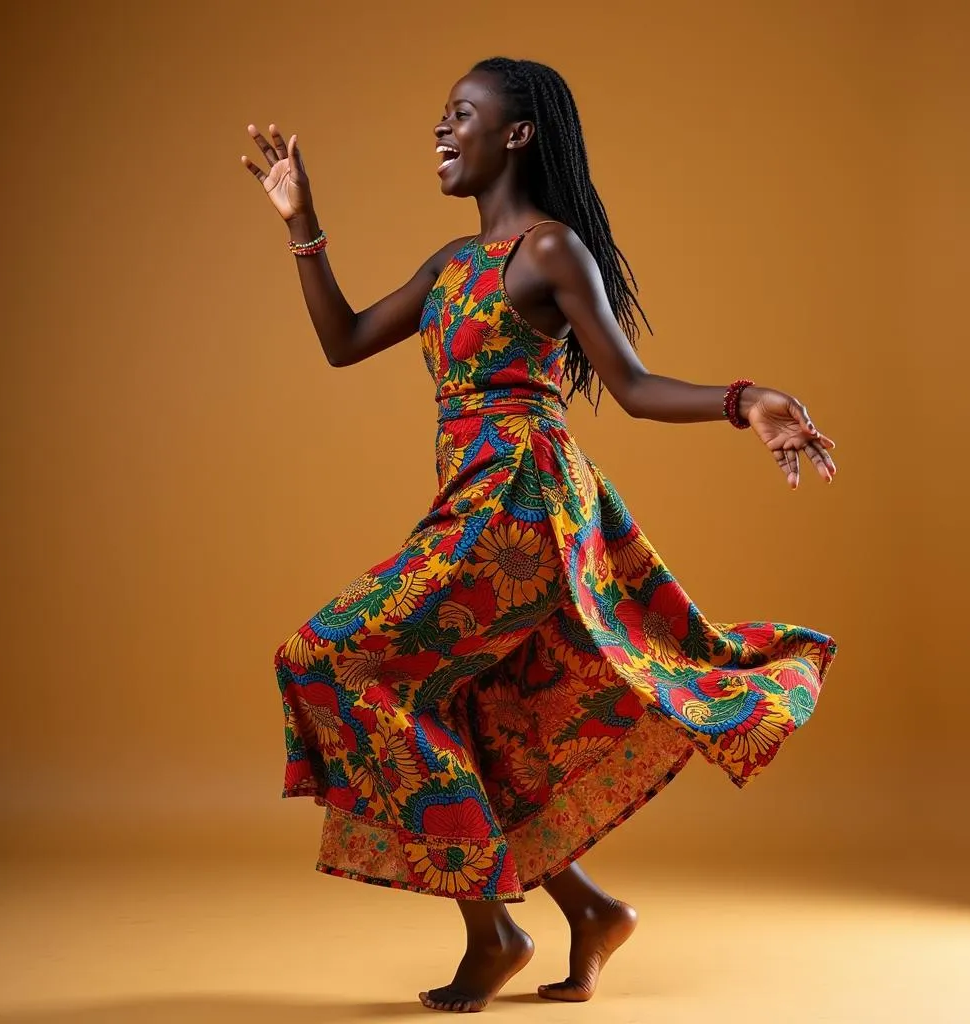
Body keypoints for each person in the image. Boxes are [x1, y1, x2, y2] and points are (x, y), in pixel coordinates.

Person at [242, 56, 837, 1014]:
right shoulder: (452, 264)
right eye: (440, 114)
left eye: (461, 115)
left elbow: (634, 388)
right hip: (466, 500)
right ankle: (591, 910)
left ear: (516, 134)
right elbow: (345, 340)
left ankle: (496, 931)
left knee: (331, 658)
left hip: (520, 503)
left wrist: (746, 401)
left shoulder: (553, 252)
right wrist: (301, 224)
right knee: (468, 710)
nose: (441, 129)